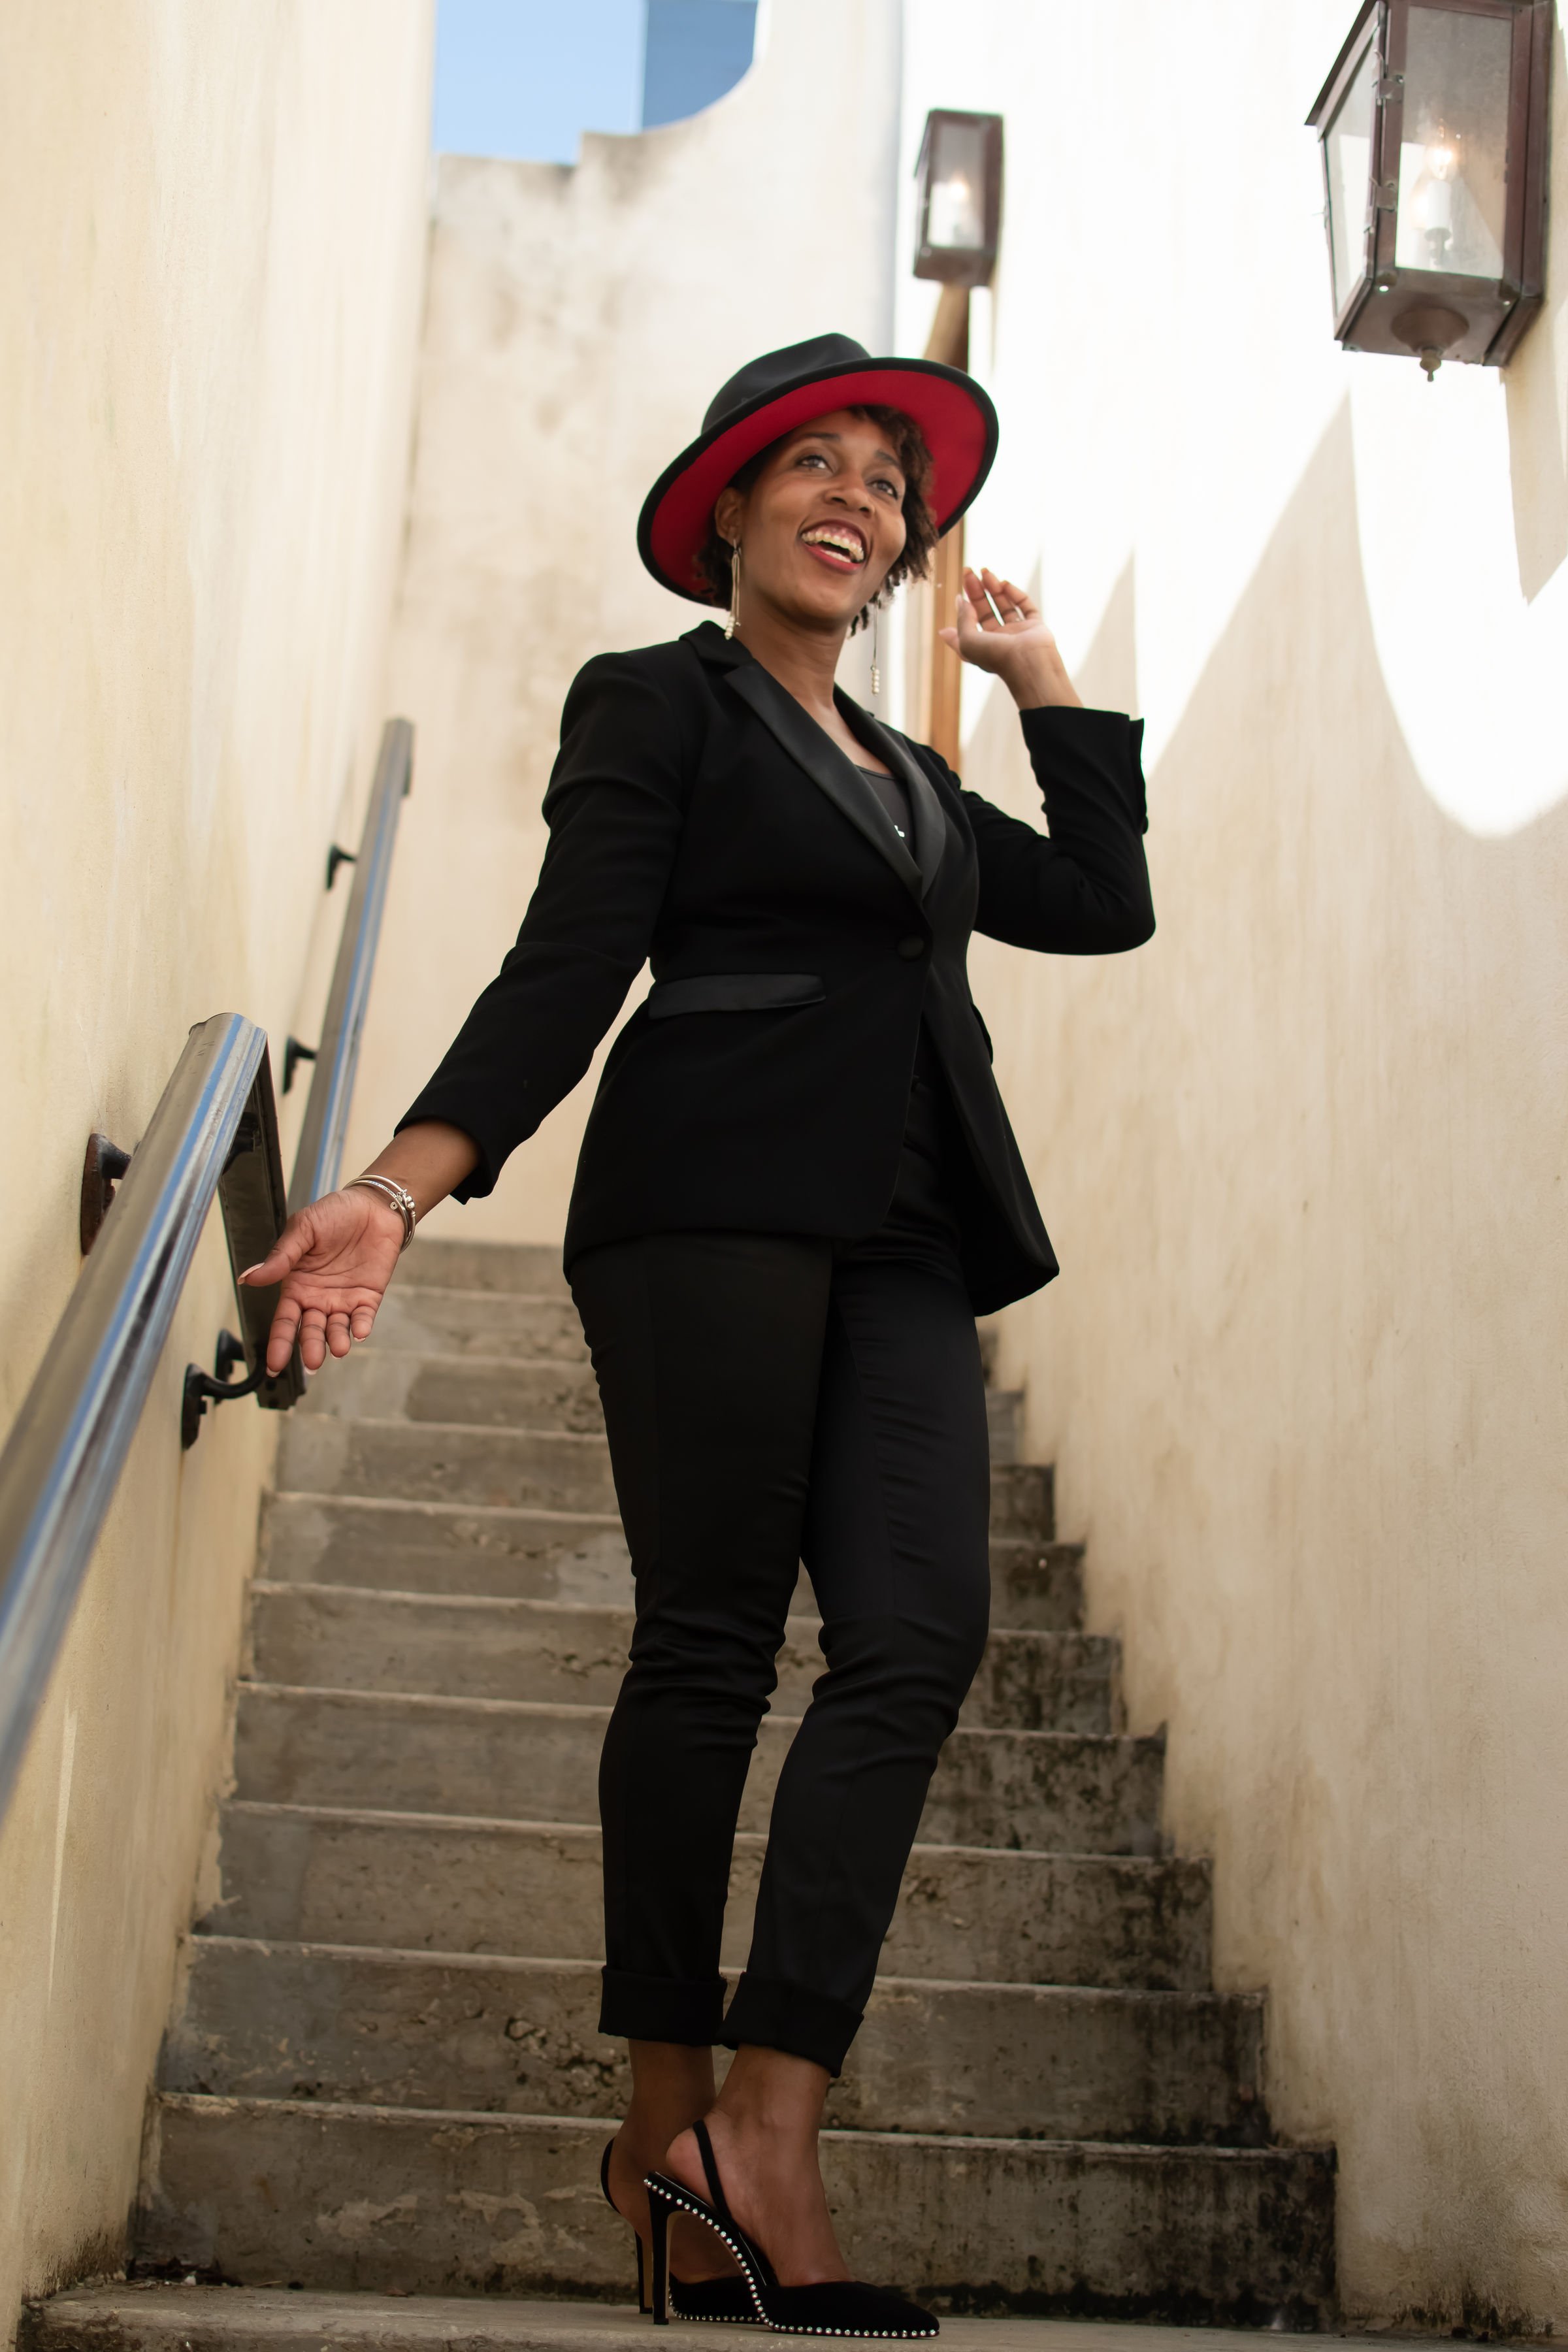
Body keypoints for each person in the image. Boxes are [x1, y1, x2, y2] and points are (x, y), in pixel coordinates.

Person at [242, 333, 1154, 2334]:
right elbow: (571, 962)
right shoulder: (660, 701)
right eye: (813, 464)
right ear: (728, 509)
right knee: (714, 1648)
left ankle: (764, 2121)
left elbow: (1104, 899)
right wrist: (400, 1185)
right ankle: (672, 2128)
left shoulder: (917, 779)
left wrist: (1043, 684)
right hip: (708, 1205)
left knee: (918, 1638)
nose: (859, 499)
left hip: (909, 1235)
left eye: (887, 482)